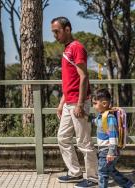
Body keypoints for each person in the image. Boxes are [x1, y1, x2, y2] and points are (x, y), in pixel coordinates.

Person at [51, 16, 98, 188]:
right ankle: (75, 172)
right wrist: (61, 102)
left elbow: (83, 77)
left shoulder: (77, 48)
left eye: (57, 31)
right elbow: (68, 81)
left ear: (67, 29)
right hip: (68, 102)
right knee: (62, 138)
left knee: (84, 142)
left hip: (79, 103)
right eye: (53, 32)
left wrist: (79, 104)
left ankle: (93, 178)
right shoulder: (66, 49)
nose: (55, 35)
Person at [92, 89, 134, 188]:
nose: (93, 106)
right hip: (105, 150)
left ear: (104, 103)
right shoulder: (102, 116)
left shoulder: (110, 118)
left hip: (107, 150)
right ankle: (128, 185)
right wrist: (87, 118)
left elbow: (113, 136)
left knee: (102, 172)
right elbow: (96, 122)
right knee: (110, 170)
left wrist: (111, 152)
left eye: (95, 103)